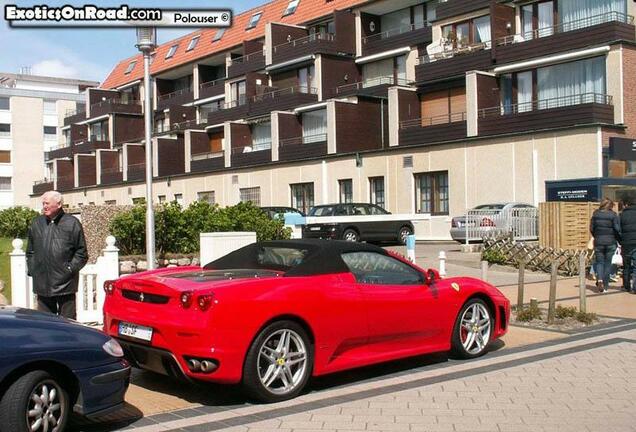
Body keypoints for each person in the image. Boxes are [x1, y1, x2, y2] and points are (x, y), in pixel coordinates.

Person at [26, 191, 88, 319]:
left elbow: (81, 253)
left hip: (65, 285)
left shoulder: (72, 223)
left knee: (68, 324)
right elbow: (30, 251)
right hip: (42, 285)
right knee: (46, 325)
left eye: (47, 203)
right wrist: (33, 270)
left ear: (59, 204)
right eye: (43, 203)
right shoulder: (37, 223)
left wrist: (69, 269)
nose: (44, 206)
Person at [590, 198, 621, 293]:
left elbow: (591, 228)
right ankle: (605, 286)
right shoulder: (613, 215)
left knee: (599, 262)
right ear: (610, 206)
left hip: (599, 241)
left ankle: (599, 280)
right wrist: (619, 240)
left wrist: (596, 236)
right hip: (610, 242)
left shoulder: (595, 214)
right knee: (608, 264)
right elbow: (617, 229)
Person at [620, 196, 636, 293]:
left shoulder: (622, 215)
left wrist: (620, 240)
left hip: (626, 243)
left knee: (626, 266)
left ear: (627, 204)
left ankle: (626, 286)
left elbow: (617, 229)